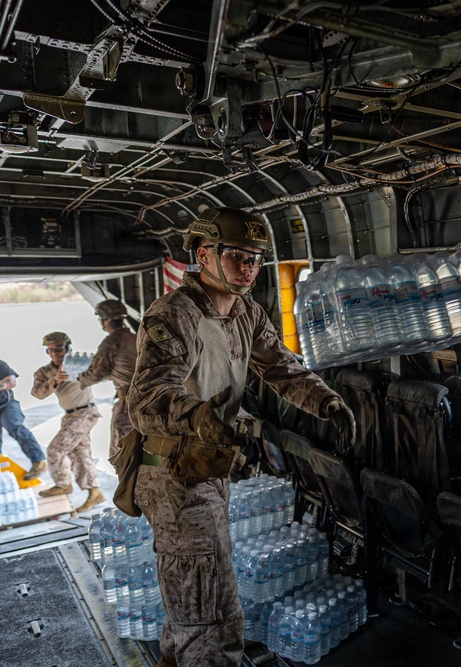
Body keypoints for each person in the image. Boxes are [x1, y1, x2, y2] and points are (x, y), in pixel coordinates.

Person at [126, 207, 356, 667]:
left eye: (255, 258)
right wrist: (199, 417)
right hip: (174, 476)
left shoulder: (246, 311)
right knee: (211, 615)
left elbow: (281, 366)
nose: (248, 266)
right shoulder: (175, 314)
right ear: (204, 254)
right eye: (236, 255)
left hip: (208, 470)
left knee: (194, 599)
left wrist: (326, 401)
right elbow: (147, 400)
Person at [31, 332, 104, 511]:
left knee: (56, 449)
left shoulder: (79, 363)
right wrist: (55, 380)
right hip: (70, 416)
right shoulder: (45, 372)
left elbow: (106, 372)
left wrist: (88, 371)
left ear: (67, 347)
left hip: (85, 412)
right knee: (80, 454)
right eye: (51, 350)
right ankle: (95, 492)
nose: (55, 352)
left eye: (59, 348)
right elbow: (37, 393)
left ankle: (63, 483)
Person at [77, 299, 137, 459]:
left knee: (121, 453)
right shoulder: (135, 337)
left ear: (104, 320)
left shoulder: (112, 341)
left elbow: (96, 373)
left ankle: (129, 483)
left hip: (128, 404)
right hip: (148, 399)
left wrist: (78, 378)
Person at [0, 359, 47, 480]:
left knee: (14, 426)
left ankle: (39, 462)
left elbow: (12, 381)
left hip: (6, 405)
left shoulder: (0, 365)